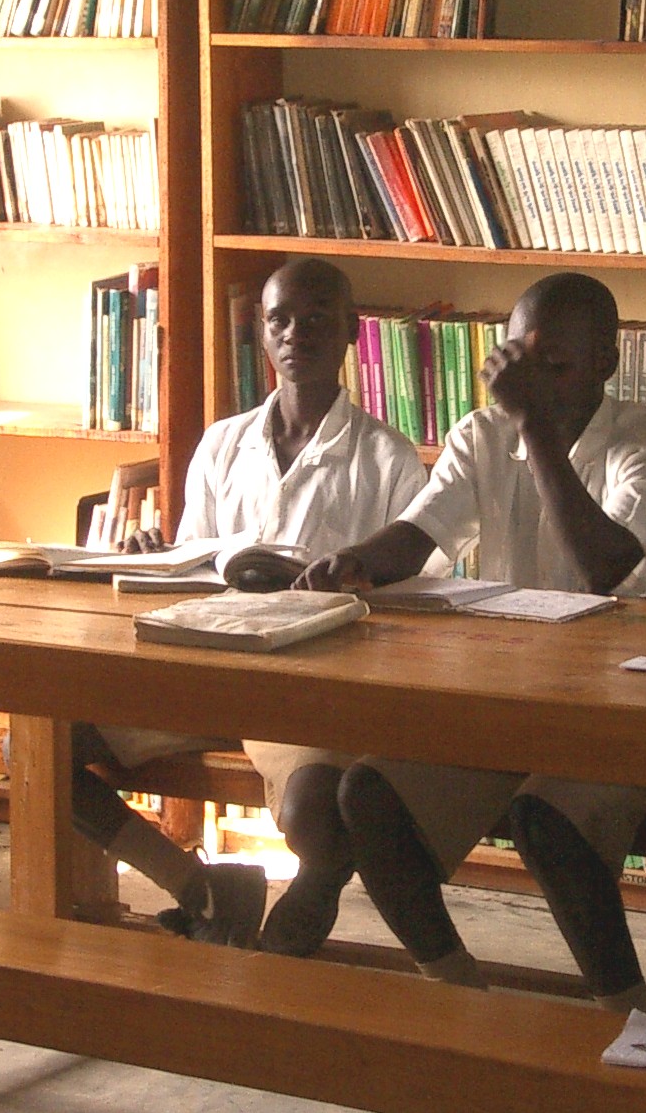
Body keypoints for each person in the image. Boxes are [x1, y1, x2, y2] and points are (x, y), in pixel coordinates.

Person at [297, 272, 646, 997]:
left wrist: (534, 425)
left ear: (606, 363)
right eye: (517, 360)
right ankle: (455, 988)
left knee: (544, 817)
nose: (531, 381)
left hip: (627, 712)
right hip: (514, 700)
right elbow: (421, 532)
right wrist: (358, 560)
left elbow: (606, 566)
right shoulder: (482, 433)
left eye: (555, 365)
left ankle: (624, 1009)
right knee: (368, 794)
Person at [74, 257, 427, 954]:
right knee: (44, 746)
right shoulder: (222, 442)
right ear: (262, 337)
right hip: (205, 663)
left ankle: (299, 920)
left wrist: (352, 583)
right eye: (279, 320)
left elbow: (409, 594)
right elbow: (197, 565)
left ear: (351, 331)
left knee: (314, 814)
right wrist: (157, 556)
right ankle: (198, 886)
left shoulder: (387, 457)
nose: (297, 333)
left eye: (318, 318)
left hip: (311, 683)